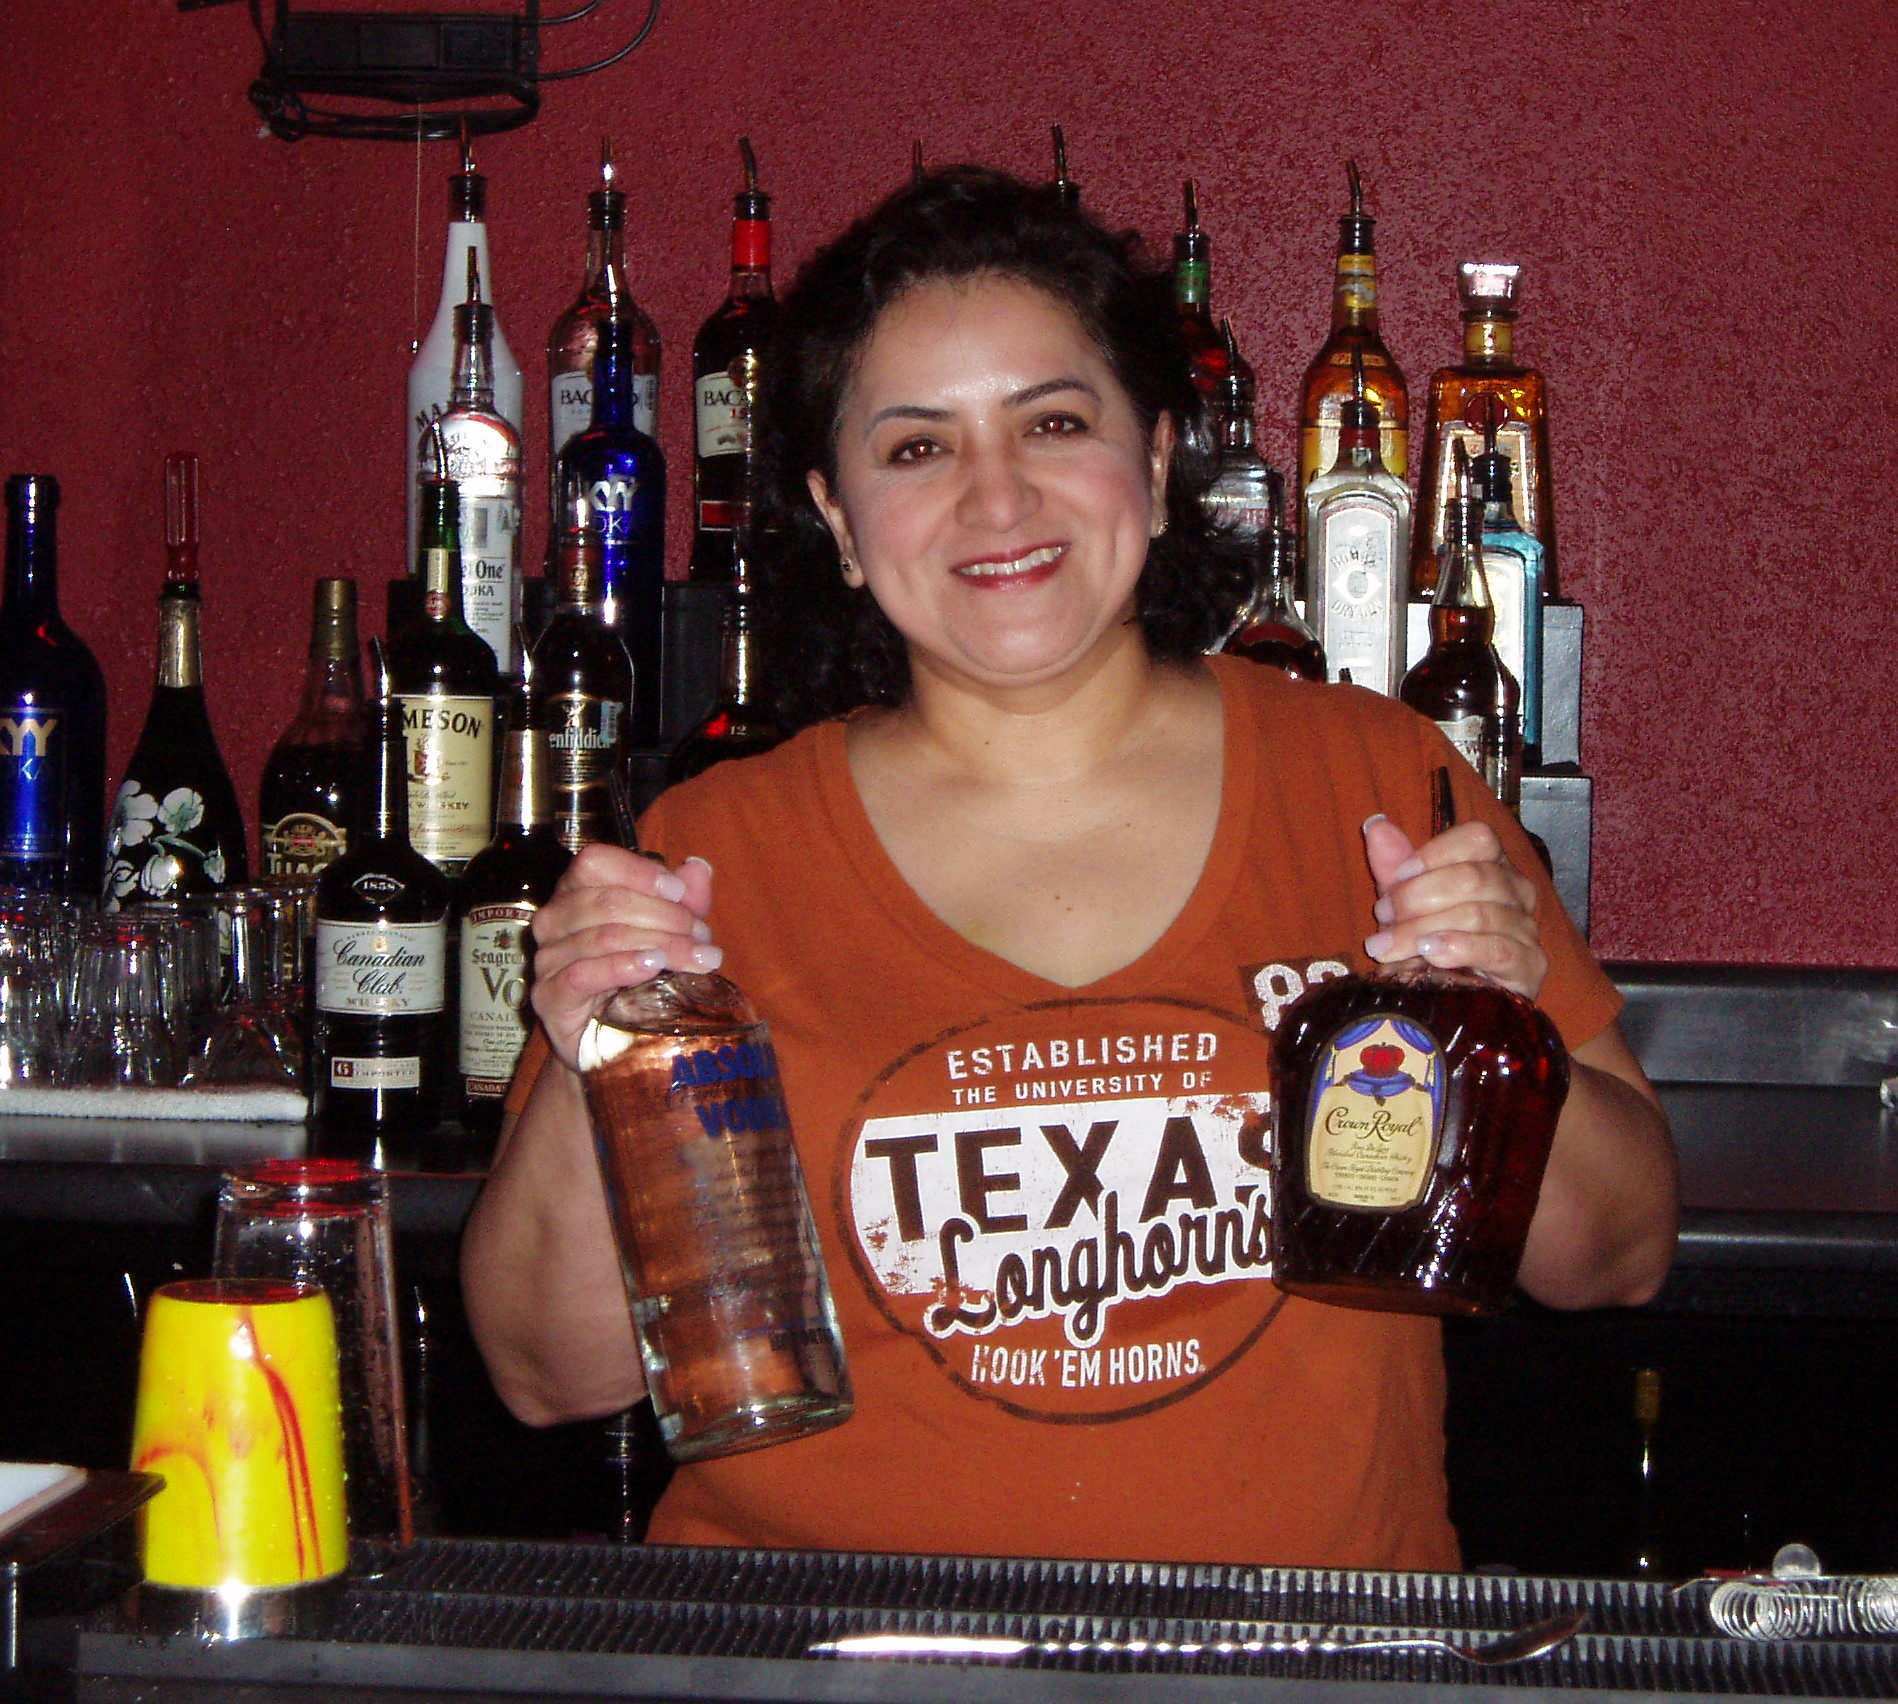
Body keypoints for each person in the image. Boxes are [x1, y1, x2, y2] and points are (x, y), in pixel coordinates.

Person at [462, 167, 1677, 1570]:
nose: (997, 496)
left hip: (1300, 1667)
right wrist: (584, 1038)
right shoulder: (717, 850)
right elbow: (557, 1377)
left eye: (1053, 421)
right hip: (832, 1661)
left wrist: (1501, 1024)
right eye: (917, 449)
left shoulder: (1374, 783)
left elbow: (1615, 1256)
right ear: (840, 521)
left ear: (1155, 466)